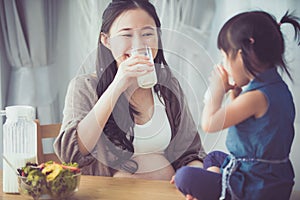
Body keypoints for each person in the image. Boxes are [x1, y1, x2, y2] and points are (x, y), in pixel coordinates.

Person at [53, 0, 206, 180]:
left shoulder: (168, 86)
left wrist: (195, 173)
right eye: (126, 35)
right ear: (106, 40)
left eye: (147, 33)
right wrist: (118, 85)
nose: (139, 44)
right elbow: (72, 154)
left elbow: (190, 152)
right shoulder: (84, 87)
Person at [174, 10, 300, 200]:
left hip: (256, 186)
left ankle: (221, 191)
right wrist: (233, 92)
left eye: (225, 57)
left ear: (241, 56)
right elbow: (242, 122)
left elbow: (210, 123)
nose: (224, 64)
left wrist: (216, 91)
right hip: (269, 176)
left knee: (184, 176)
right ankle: (217, 186)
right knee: (214, 157)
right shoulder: (275, 88)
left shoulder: (256, 97)